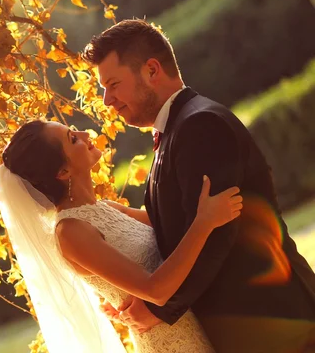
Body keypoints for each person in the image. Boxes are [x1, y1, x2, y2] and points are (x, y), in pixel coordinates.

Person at [82, 19, 315, 352]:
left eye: (113, 84)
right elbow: (175, 222)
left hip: (275, 319)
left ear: (151, 70)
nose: (107, 100)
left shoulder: (200, 125)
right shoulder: (175, 131)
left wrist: (158, 308)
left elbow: (218, 233)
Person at [0, 119, 242, 352]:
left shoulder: (105, 208)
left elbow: (173, 228)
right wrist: (204, 223)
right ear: (63, 171)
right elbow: (155, 290)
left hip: (196, 323)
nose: (85, 134)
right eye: (73, 139)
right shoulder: (70, 231)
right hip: (172, 342)